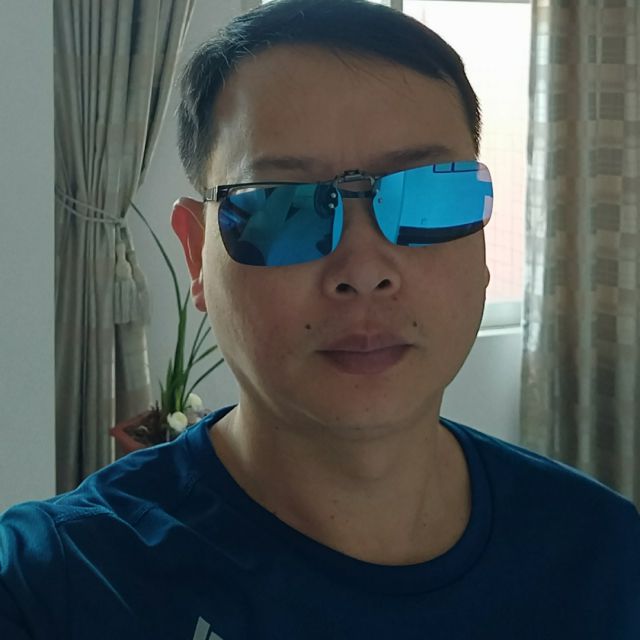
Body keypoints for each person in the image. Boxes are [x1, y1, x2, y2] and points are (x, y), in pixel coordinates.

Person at [1, 0, 639, 638]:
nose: (363, 268)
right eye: (282, 208)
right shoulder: (61, 582)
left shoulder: (605, 554)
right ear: (197, 255)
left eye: (427, 195)